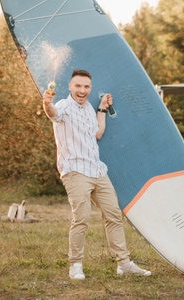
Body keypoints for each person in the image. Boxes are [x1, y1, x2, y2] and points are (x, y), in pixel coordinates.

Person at [42, 69, 151, 280]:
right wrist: (46, 103)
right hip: (75, 171)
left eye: (86, 87)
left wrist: (102, 108)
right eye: (78, 86)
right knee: (81, 218)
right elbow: (53, 114)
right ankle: (75, 266)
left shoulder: (89, 108)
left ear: (89, 89)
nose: (82, 90)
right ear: (70, 87)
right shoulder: (64, 106)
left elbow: (98, 133)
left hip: (98, 170)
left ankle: (124, 264)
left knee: (113, 216)